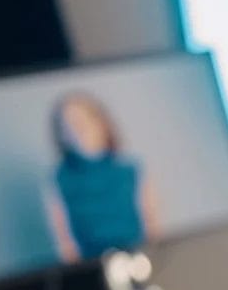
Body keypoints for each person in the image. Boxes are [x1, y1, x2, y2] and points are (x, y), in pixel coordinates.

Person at [44, 93, 159, 261]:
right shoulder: (59, 180)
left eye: (82, 121)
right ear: (62, 135)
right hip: (90, 267)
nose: (78, 131)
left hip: (137, 259)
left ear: (100, 122)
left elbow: (152, 227)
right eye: (68, 126)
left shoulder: (131, 170)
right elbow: (65, 244)